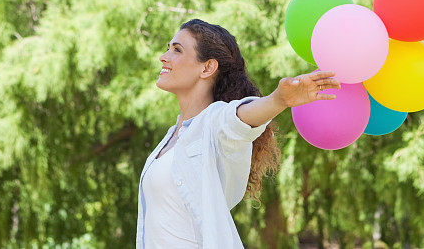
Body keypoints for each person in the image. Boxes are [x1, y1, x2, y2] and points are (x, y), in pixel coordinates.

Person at [136, 18, 340, 248]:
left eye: (176, 49)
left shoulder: (214, 122)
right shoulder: (172, 136)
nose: (164, 56)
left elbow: (239, 118)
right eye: (168, 48)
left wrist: (278, 100)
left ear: (207, 68)